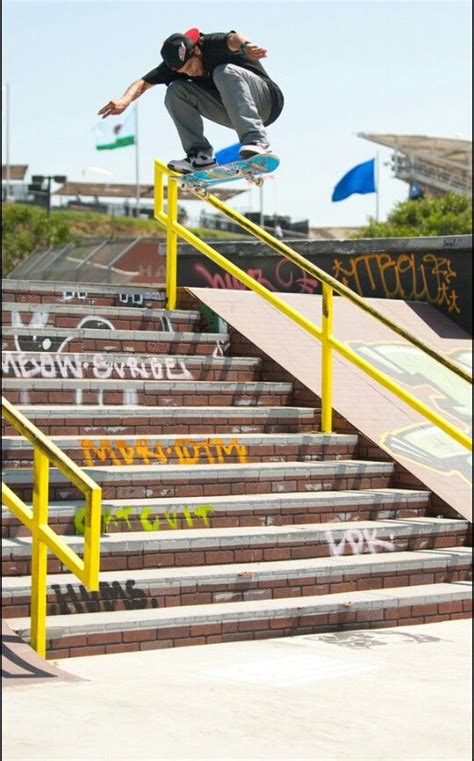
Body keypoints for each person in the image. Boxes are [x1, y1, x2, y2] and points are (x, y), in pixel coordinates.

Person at [98, 28, 284, 174]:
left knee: (223, 72)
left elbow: (233, 39)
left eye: (190, 66)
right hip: (233, 111)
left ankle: (257, 140)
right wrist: (125, 100)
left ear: (196, 50)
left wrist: (246, 46)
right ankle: (200, 156)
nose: (189, 72)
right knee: (175, 90)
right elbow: (143, 83)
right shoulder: (176, 66)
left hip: (267, 101)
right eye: (183, 71)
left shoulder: (210, 44)